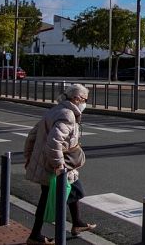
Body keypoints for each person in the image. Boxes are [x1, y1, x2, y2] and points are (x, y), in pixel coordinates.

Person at [23, 84, 96, 245]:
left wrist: (28, 157)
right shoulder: (67, 115)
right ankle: (35, 236)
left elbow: (32, 135)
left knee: (73, 190)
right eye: (84, 100)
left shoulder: (54, 110)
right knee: (61, 195)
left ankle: (77, 223)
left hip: (48, 163)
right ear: (76, 98)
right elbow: (54, 142)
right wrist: (59, 166)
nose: (85, 103)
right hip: (56, 166)